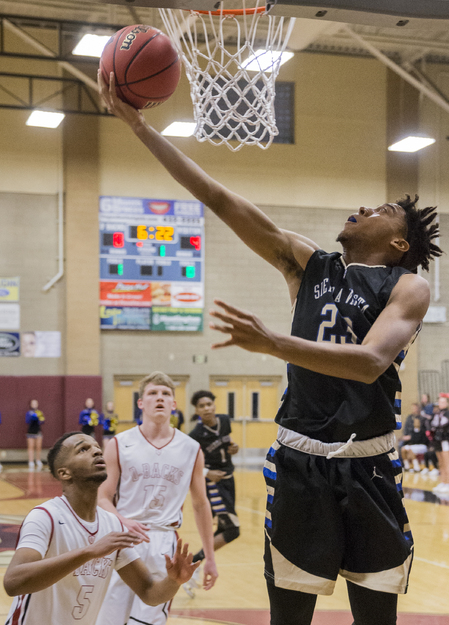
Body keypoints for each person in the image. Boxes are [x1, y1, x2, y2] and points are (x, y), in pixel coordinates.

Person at [98, 72, 442, 625]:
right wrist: (137, 123)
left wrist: (272, 343)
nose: (363, 207)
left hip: (370, 465)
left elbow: (373, 362)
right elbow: (216, 196)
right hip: (302, 460)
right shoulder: (306, 264)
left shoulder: (408, 287)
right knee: (289, 617)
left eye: (379, 210)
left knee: (377, 616)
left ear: (398, 244)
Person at [3, 431, 199, 625]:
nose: (96, 451)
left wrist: (174, 581)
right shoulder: (45, 517)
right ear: (64, 472)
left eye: (97, 447)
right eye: (83, 449)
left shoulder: (112, 525)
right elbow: (13, 582)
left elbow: (149, 592)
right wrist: (89, 552)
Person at [96, 371, 217, 625]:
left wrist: (210, 558)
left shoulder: (191, 448)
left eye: (166, 394)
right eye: (152, 393)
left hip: (164, 541)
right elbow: (102, 497)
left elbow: (200, 504)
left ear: (174, 404)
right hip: (124, 537)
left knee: (148, 621)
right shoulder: (119, 443)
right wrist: (120, 520)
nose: (159, 398)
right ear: (141, 403)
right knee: (109, 619)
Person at [184, 390, 240, 598]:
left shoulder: (224, 421)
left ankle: (194, 563)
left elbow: (228, 443)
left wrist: (233, 448)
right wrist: (207, 473)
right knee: (232, 529)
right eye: (202, 406)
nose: (206, 408)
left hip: (229, 479)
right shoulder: (195, 436)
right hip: (213, 485)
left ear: (214, 405)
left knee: (226, 528)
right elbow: (188, 462)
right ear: (197, 410)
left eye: (209, 404)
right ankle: (194, 564)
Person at [400, 403, 428, 472]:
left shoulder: (423, 430)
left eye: (417, 422)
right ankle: (406, 466)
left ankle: (416, 467)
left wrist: (411, 439)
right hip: (413, 445)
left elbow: (419, 439)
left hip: (422, 445)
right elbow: (412, 439)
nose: (415, 423)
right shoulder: (412, 430)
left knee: (410, 449)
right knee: (403, 449)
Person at [429, 395, 449, 494]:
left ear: (447, 403)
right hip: (437, 440)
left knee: (446, 463)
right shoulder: (437, 414)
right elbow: (433, 425)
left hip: (446, 441)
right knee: (440, 462)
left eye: (443, 402)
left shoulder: (447, 414)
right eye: (439, 402)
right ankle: (443, 481)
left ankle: (448, 483)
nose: (441, 404)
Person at [25, 399, 45, 471]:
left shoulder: (39, 412)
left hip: (38, 431)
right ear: (30, 404)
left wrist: (39, 419)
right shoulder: (28, 413)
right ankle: (31, 461)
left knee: (38, 447)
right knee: (31, 447)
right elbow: (27, 421)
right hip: (31, 432)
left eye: (35, 403)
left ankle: (38, 460)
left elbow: (42, 421)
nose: (34, 404)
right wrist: (32, 418)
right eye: (33, 403)